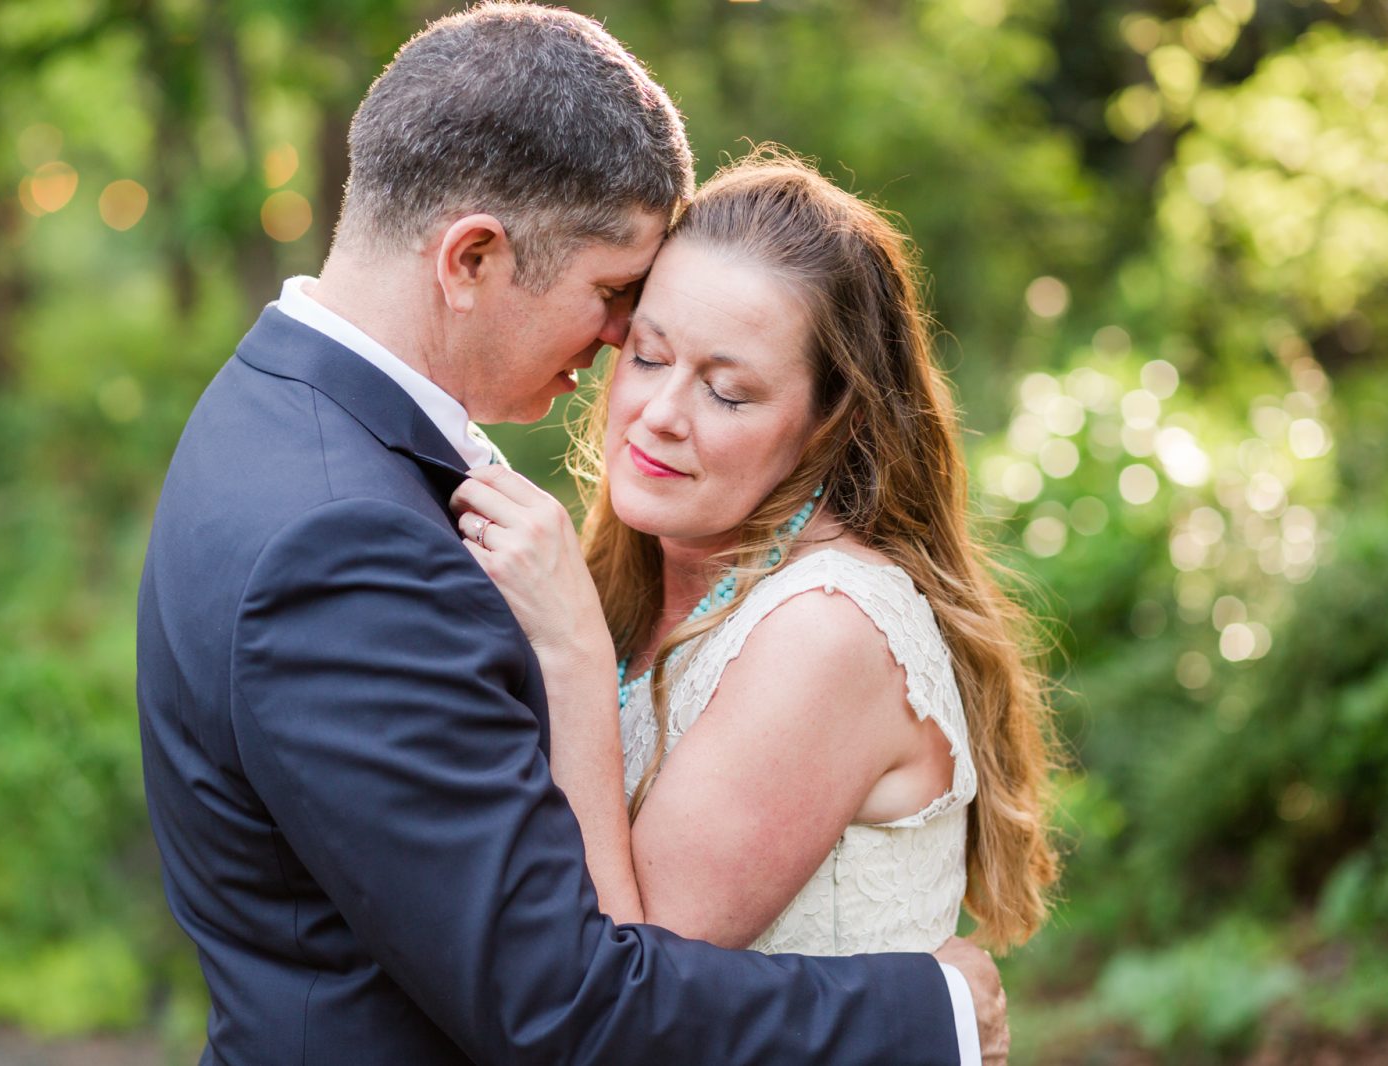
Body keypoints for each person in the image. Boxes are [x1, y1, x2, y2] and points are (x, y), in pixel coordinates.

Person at [137, 4, 1004, 1065]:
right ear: (472, 259)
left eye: (726, 386)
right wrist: (929, 1015)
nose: (613, 358)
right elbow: (568, 1002)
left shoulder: (261, 416)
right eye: (622, 314)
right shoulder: (351, 538)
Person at [451, 154, 1058, 965]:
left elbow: (625, 988)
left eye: (727, 392)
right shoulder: (636, 581)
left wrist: (570, 653)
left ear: (828, 420)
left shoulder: (827, 633)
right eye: (649, 356)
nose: (660, 414)